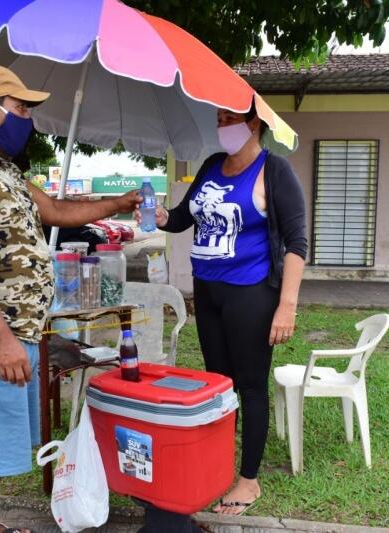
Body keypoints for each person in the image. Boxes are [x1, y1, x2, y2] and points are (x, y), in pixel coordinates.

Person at [0, 63, 141, 533]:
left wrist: (117, 205)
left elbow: (59, 211)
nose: (28, 117)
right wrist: (2, 340)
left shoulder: (4, 169)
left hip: (17, 335)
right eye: (21, 107)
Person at [137, 101, 307, 515]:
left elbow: (298, 243)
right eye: (219, 120)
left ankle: (248, 482)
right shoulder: (213, 165)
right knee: (218, 384)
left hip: (251, 294)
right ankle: (219, 466)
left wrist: (287, 307)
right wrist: (159, 215)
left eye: (230, 119)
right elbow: (182, 218)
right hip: (208, 294)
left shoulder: (274, 170)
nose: (222, 127)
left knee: (249, 386)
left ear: (254, 124)